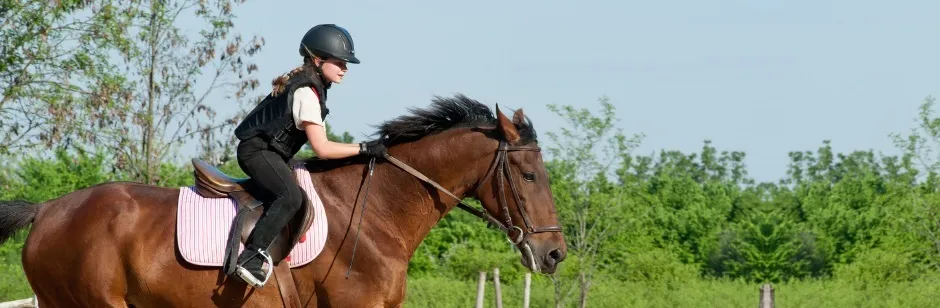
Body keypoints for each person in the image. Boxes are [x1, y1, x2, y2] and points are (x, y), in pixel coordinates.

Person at [231, 23, 387, 287]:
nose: (345, 69)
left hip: (272, 152)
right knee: (290, 196)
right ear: (317, 60)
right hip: (257, 152)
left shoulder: (313, 87)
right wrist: (363, 148)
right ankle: (251, 258)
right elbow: (322, 148)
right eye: (340, 62)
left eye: (346, 64)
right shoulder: (306, 93)